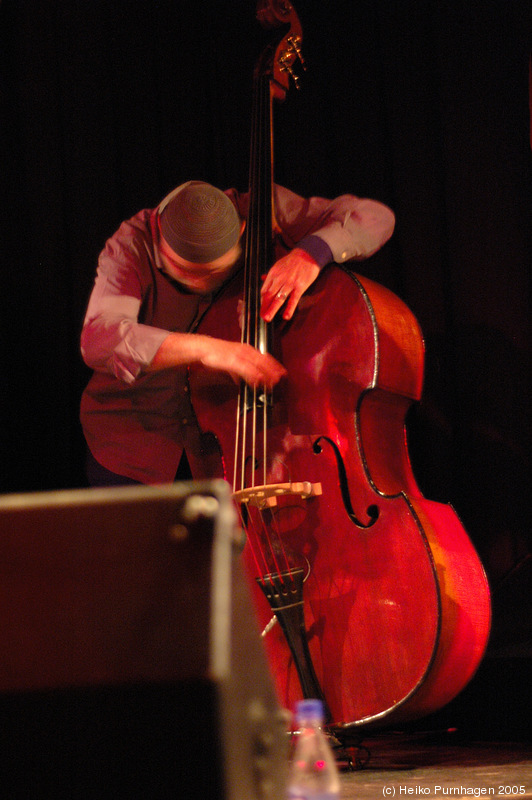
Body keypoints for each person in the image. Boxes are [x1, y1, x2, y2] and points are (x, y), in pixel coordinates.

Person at [80, 181, 395, 486]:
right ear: (159, 234)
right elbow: (100, 339)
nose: (198, 284)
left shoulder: (265, 210)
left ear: (242, 231)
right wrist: (211, 351)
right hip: (135, 447)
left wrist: (310, 254)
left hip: (234, 449)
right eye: (182, 270)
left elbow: (376, 217)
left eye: (211, 273)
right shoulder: (132, 243)